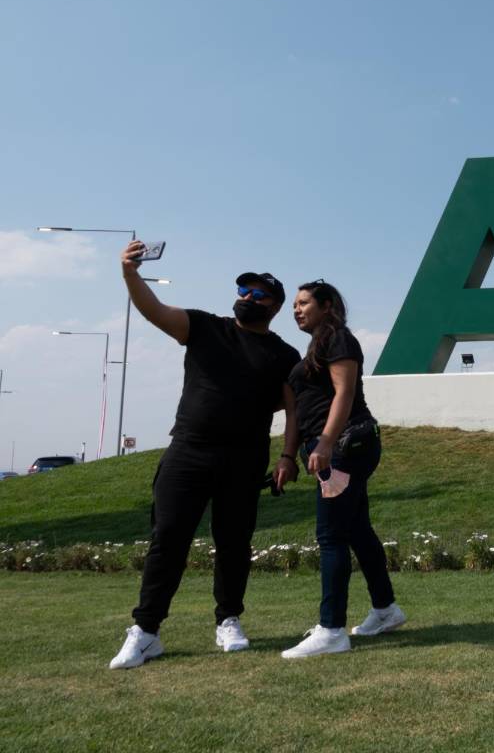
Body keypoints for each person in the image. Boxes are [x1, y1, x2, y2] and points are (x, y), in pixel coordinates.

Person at [109, 241, 301, 669]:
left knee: (233, 543)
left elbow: (292, 409)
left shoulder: (284, 355)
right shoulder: (203, 327)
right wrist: (130, 274)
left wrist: (288, 457)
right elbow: (155, 311)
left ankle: (228, 619)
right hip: (188, 453)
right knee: (168, 540)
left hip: (244, 459)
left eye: (258, 295)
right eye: (243, 291)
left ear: (275, 306)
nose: (247, 298)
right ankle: (146, 631)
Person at [281, 280, 404, 659]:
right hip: (338, 447)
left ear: (327, 305)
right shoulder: (317, 344)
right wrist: (289, 455)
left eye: (304, 303)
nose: (297, 309)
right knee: (357, 531)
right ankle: (386, 610)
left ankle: (331, 629)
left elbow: (344, 393)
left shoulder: (338, 339)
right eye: (295, 305)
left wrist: (326, 442)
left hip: (345, 445)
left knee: (331, 535)